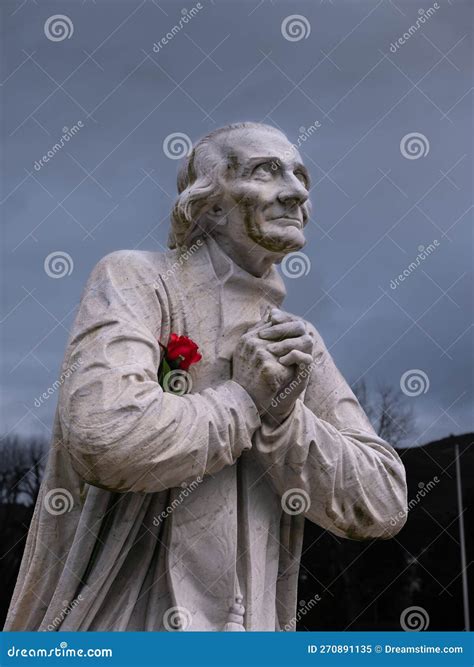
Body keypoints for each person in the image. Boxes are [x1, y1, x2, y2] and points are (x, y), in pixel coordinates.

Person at [5, 122, 407, 632]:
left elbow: (384, 503)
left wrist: (284, 422)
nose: (297, 190)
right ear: (210, 205)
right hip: (127, 624)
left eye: (301, 175)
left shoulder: (294, 342)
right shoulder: (136, 280)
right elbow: (106, 437)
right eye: (267, 171)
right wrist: (242, 400)